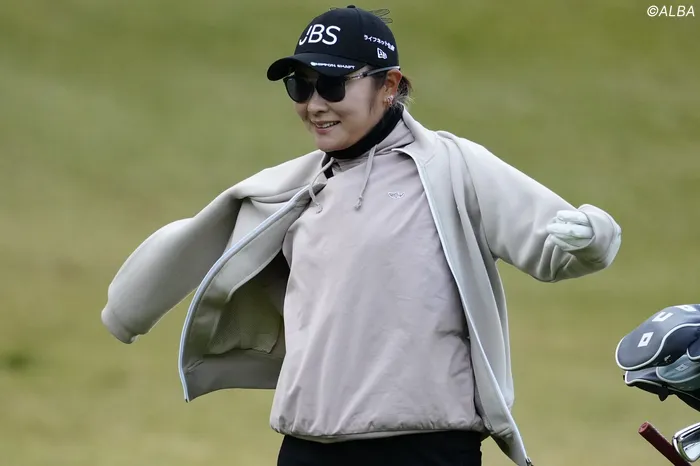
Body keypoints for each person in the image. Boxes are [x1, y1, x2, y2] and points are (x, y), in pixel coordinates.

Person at [99, 5, 623, 466]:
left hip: (426, 448)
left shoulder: (451, 166)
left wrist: (591, 237)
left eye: (331, 85)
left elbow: (552, 246)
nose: (314, 104)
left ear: (389, 86)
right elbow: (200, 239)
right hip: (308, 447)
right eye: (300, 86)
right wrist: (127, 313)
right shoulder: (295, 189)